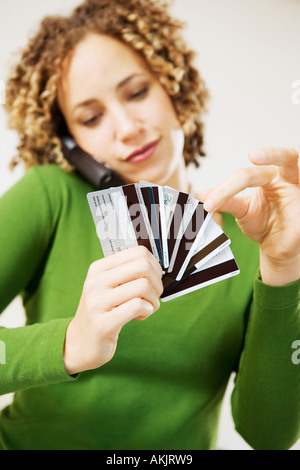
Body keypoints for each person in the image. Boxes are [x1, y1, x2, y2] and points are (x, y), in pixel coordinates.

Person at [0, 0, 299, 451]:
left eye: (137, 92)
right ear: (69, 141)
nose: (126, 128)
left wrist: (285, 266)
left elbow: (270, 435)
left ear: (172, 83)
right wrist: (70, 342)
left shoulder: (256, 240)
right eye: (91, 118)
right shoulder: (50, 196)